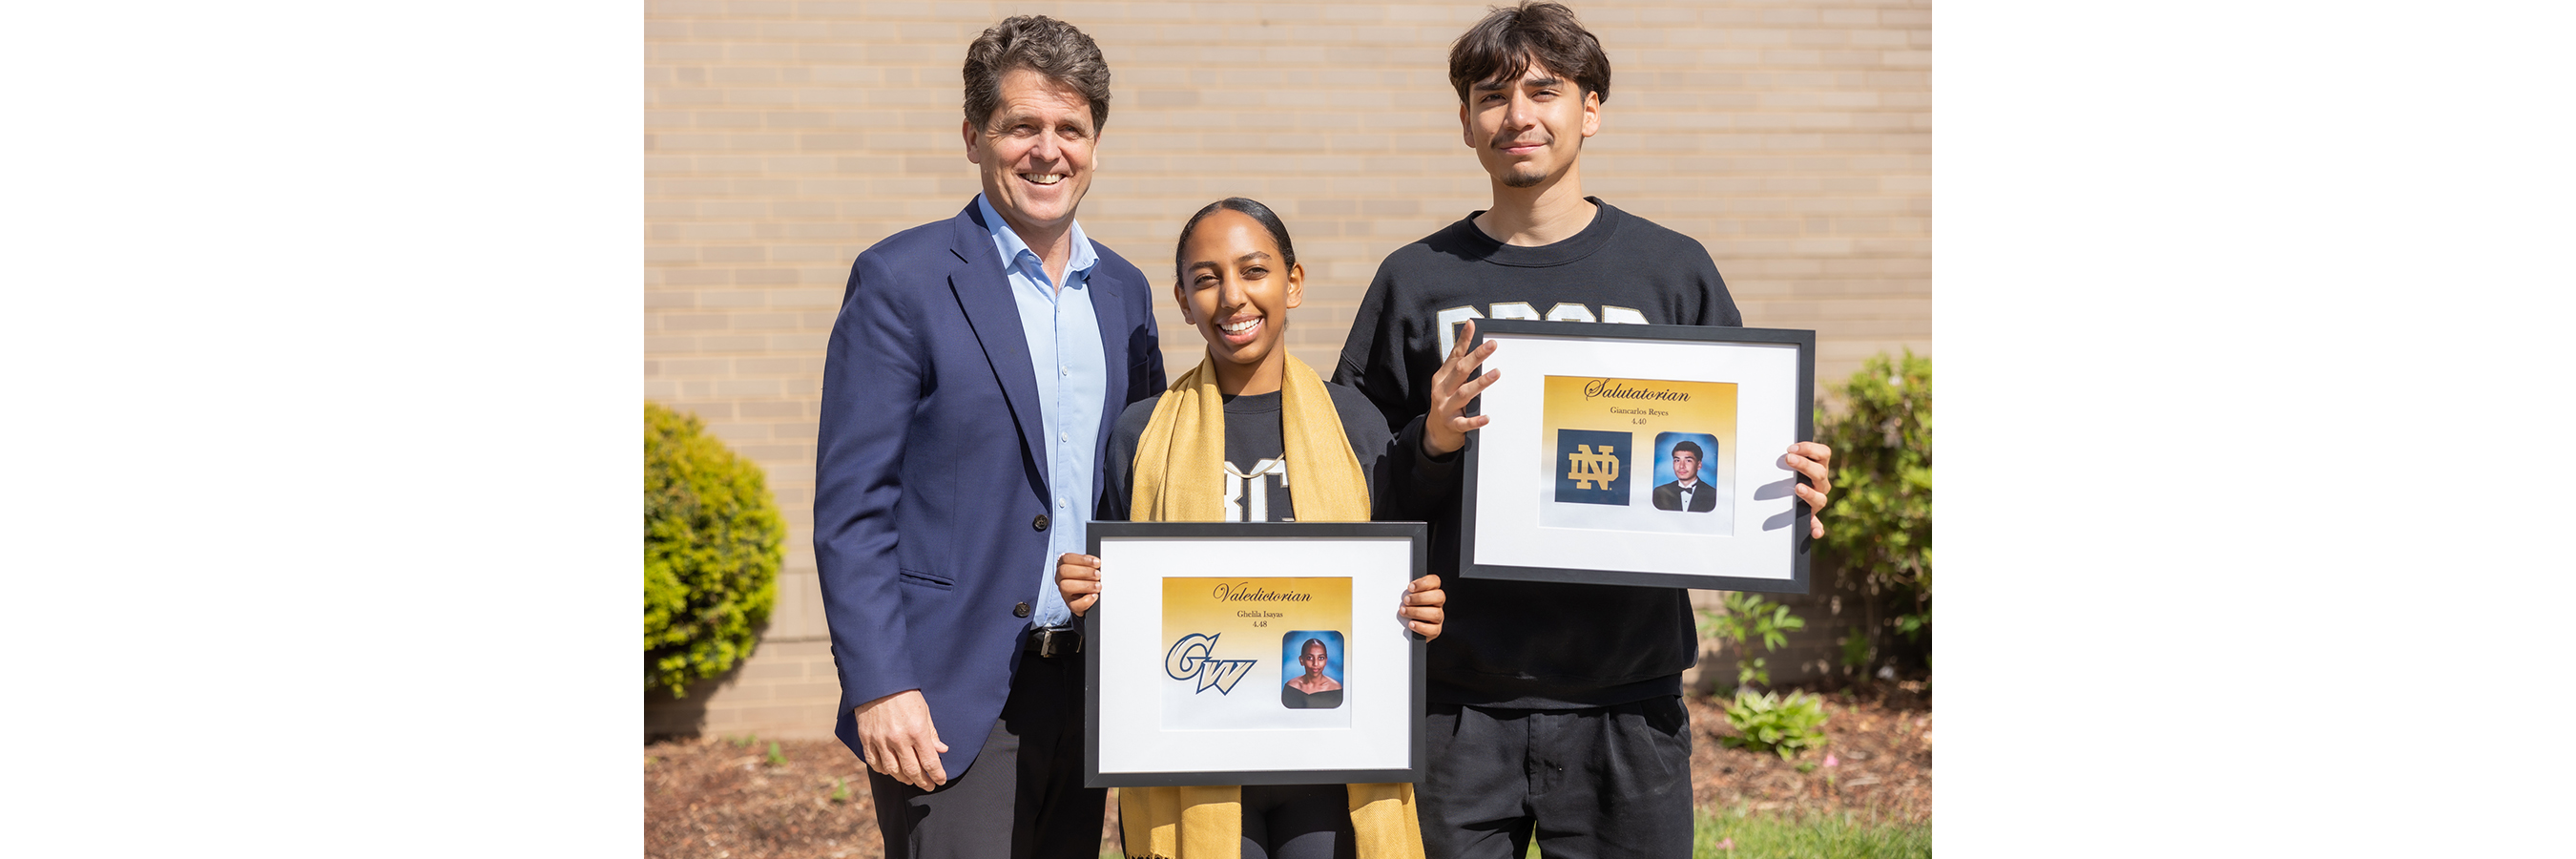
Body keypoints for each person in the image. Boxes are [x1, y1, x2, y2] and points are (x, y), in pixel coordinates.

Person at [1330, 4, 1839, 857]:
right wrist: (1433, 442)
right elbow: (1353, 481)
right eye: (1491, 97)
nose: (1516, 116)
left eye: (1544, 91)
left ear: (1590, 109)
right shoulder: (1414, 280)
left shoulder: (1670, 271)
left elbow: (1747, 443)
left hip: (1627, 693)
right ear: (1465, 121)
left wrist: (1789, 490)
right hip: (1453, 696)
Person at [811, 15, 1166, 859]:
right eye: (1022, 126)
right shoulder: (901, 280)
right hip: (947, 693)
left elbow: (1142, 480)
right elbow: (854, 506)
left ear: (1095, 141)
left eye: (1070, 128)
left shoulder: (1125, 291)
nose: (1048, 151)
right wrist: (881, 684)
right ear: (974, 137)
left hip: (1090, 689)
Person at [1055, 198, 1481, 859]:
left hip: (1332, 763)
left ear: (1294, 282)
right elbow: (1120, 610)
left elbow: (1392, 577)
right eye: (1206, 279)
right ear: (1182, 299)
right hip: (1191, 758)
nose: (1232, 297)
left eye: (1254, 271)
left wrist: (1417, 608)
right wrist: (1088, 595)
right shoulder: (1141, 433)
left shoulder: (1355, 423)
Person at [1652, 440, 1715, 513]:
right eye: (1677, 460)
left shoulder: (1712, 494)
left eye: (1688, 460)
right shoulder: (1660, 493)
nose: (1681, 466)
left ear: (1699, 465)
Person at [1281, 638, 1344, 709]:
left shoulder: (1335, 688)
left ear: (1326, 661)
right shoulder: (1292, 687)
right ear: (1301, 660)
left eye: (1321, 658)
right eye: (1309, 658)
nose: (1315, 664)